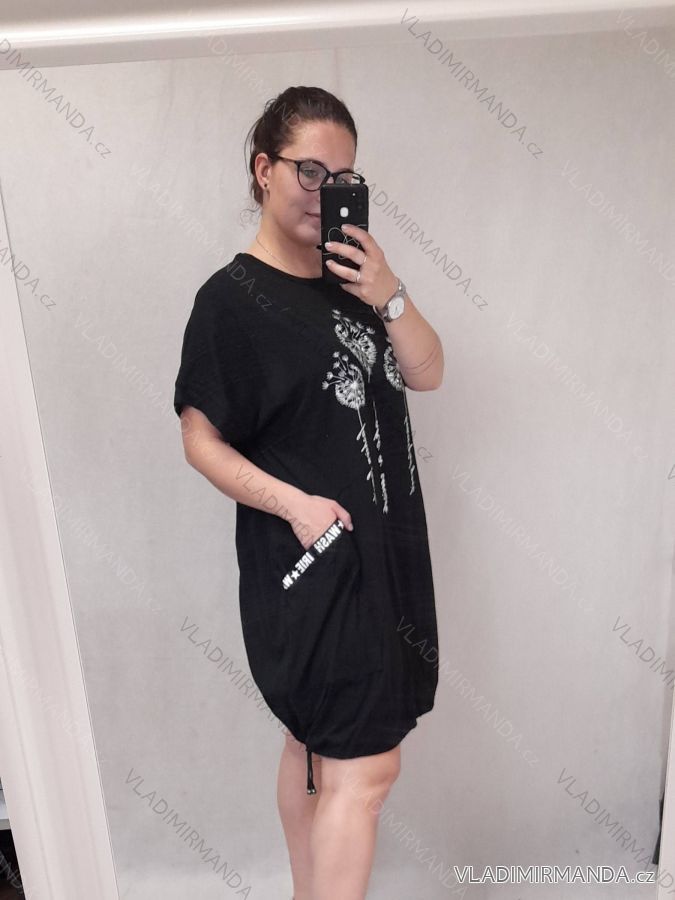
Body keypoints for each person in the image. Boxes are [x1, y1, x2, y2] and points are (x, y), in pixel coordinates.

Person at [174, 85, 443, 900]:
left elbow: (428, 372)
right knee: (365, 768)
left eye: (344, 177)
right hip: (316, 565)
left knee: (314, 752)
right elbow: (200, 441)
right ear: (264, 170)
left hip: (384, 559)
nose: (327, 193)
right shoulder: (230, 302)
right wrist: (295, 507)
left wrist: (388, 290)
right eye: (309, 172)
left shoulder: (353, 282)